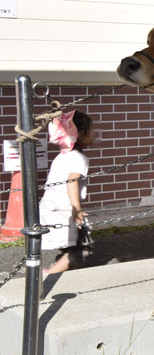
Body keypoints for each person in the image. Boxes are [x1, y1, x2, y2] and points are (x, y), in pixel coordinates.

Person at [40, 110, 94, 274]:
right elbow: (72, 181)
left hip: (49, 207)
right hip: (63, 209)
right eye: (92, 131)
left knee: (73, 242)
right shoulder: (79, 158)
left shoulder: (62, 156)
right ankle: (49, 274)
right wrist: (76, 209)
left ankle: (62, 266)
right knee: (83, 249)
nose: (94, 134)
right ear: (82, 134)